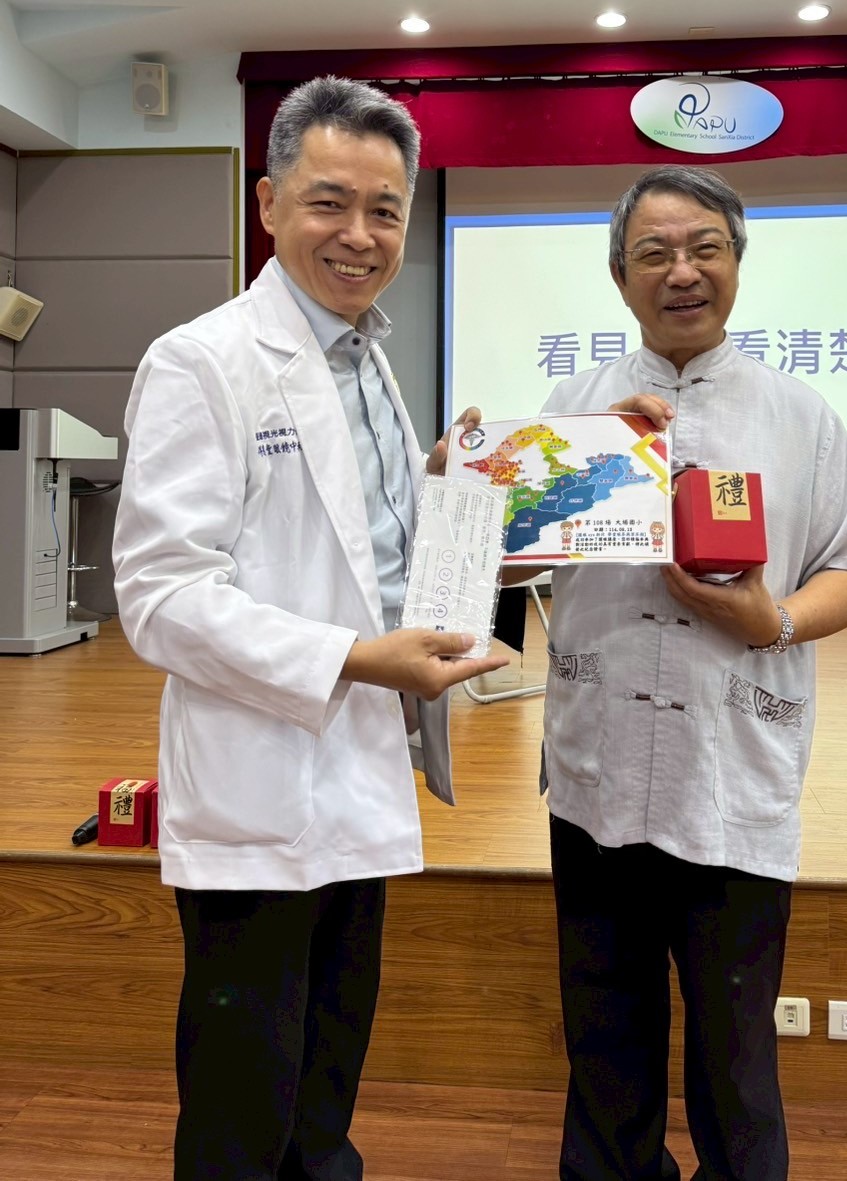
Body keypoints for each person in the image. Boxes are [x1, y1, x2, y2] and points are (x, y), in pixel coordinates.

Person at [112, 76, 506, 1181]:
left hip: (356, 767)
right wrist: (353, 658)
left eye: (386, 209)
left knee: (327, 1076)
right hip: (261, 781)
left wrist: (453, 485)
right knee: (245, 1095)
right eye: (330, 202)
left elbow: (361, 534)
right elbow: (161, 594)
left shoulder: (366, 358)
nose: (359, 235)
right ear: (268, 201)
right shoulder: (204, 360)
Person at [538, 165, 847, 1180]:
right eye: (653, 253)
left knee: (736, 1048)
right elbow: (506, 555)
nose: (682, 271)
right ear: (619, 277)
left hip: (730, 766)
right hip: (597, 767)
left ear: (737, 264)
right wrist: (560, 466)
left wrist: (771, 620)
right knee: (603, 1027)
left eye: (705, 248)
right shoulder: (575, 408)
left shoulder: (799, 414)